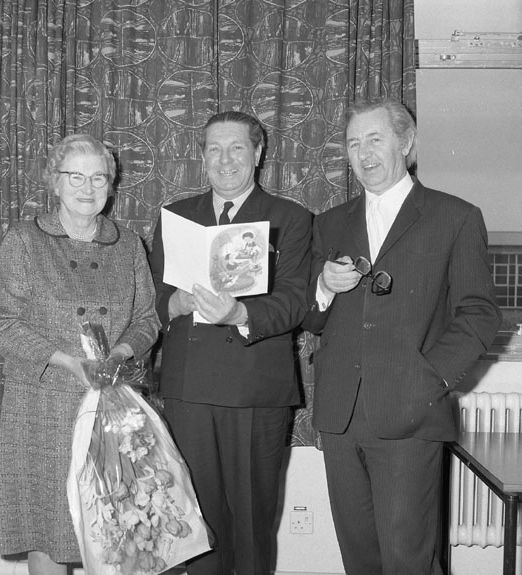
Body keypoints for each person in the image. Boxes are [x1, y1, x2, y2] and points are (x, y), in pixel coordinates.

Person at [302, 98, 502, 575]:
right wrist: (323, 289)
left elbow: (479, 313)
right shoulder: (329, 222)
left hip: (411, 415)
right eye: (353, 143)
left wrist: (427, 380)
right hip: (340, 416)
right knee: (359, 558)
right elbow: (310, 319)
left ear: (407, 143)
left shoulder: (455, 217)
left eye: (375, 139)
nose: (363, 153)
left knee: (407, 560)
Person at [0, 134, 160, 574]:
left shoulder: (128, 245)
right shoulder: (25, 240)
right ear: (55, 183)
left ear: (111, 185)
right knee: (49, 528)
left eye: (98, 177)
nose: (88, 188)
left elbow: (148, 319)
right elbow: (3, 323)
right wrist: (67, 361)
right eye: (76, 176)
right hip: (43, 404)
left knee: (118, 526)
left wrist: (119, 353)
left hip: (110, 405)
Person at [149, 110, 312, 575]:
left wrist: (240, 313)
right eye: (214, 149)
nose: (225, 160)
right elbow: (151, 301)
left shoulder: (292, 219)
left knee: (253, 523)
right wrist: (173, 305)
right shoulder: (176, 217)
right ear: (202, 157)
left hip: (254, 392)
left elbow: (296, 302)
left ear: (257, 154)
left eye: (237, 148)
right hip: (187, 390)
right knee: (196, 523)